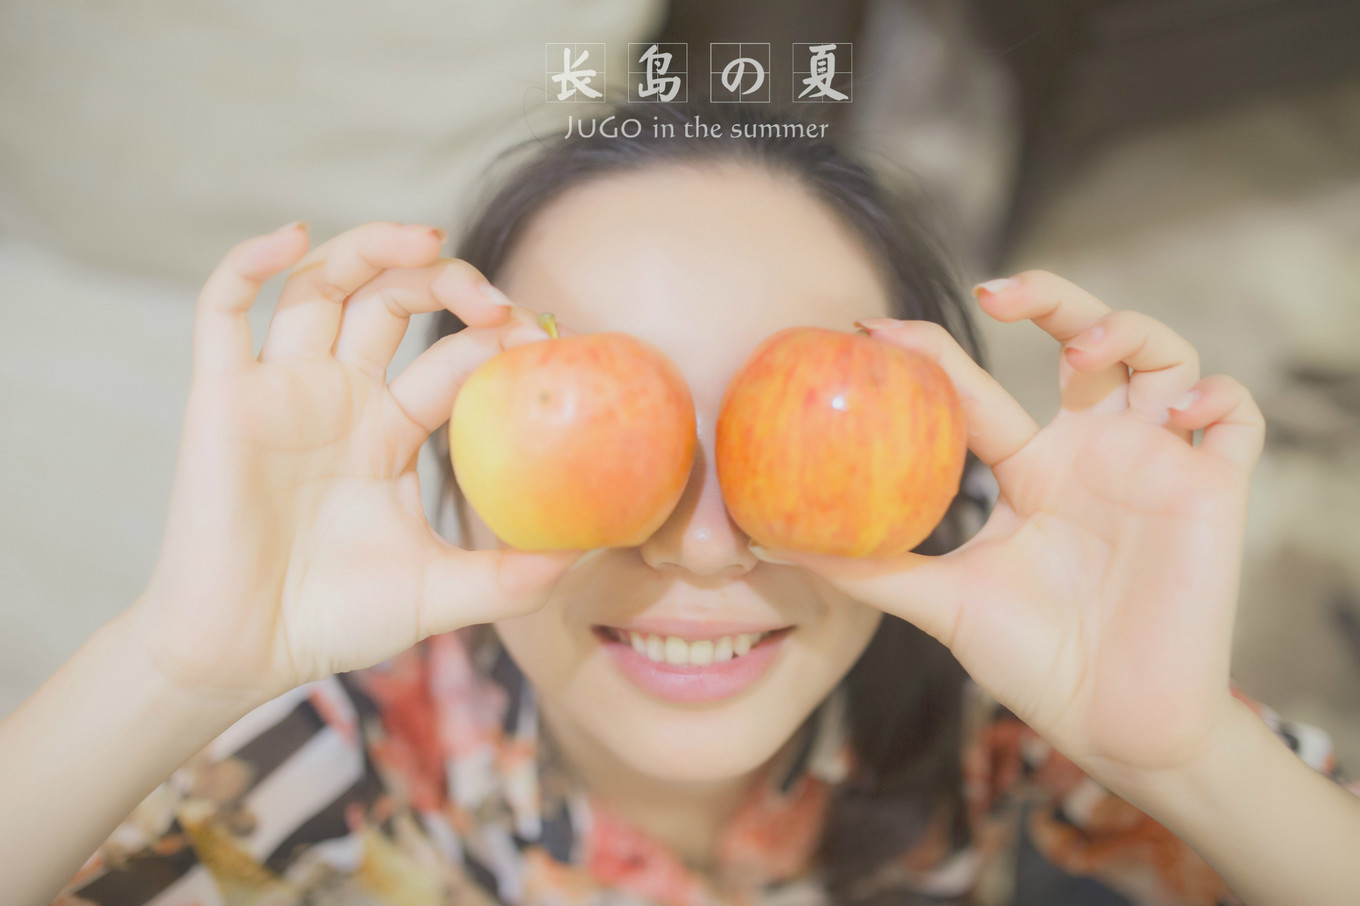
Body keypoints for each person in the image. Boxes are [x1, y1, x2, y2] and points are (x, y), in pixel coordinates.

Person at [6, 100, 1359, 906]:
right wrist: (170, 669)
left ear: (938, 471)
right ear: (460, 469)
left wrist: (1190, 760)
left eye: (780, 442)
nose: (702, 545)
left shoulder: (1020, 722)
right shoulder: (345, 767)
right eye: (615, 447)